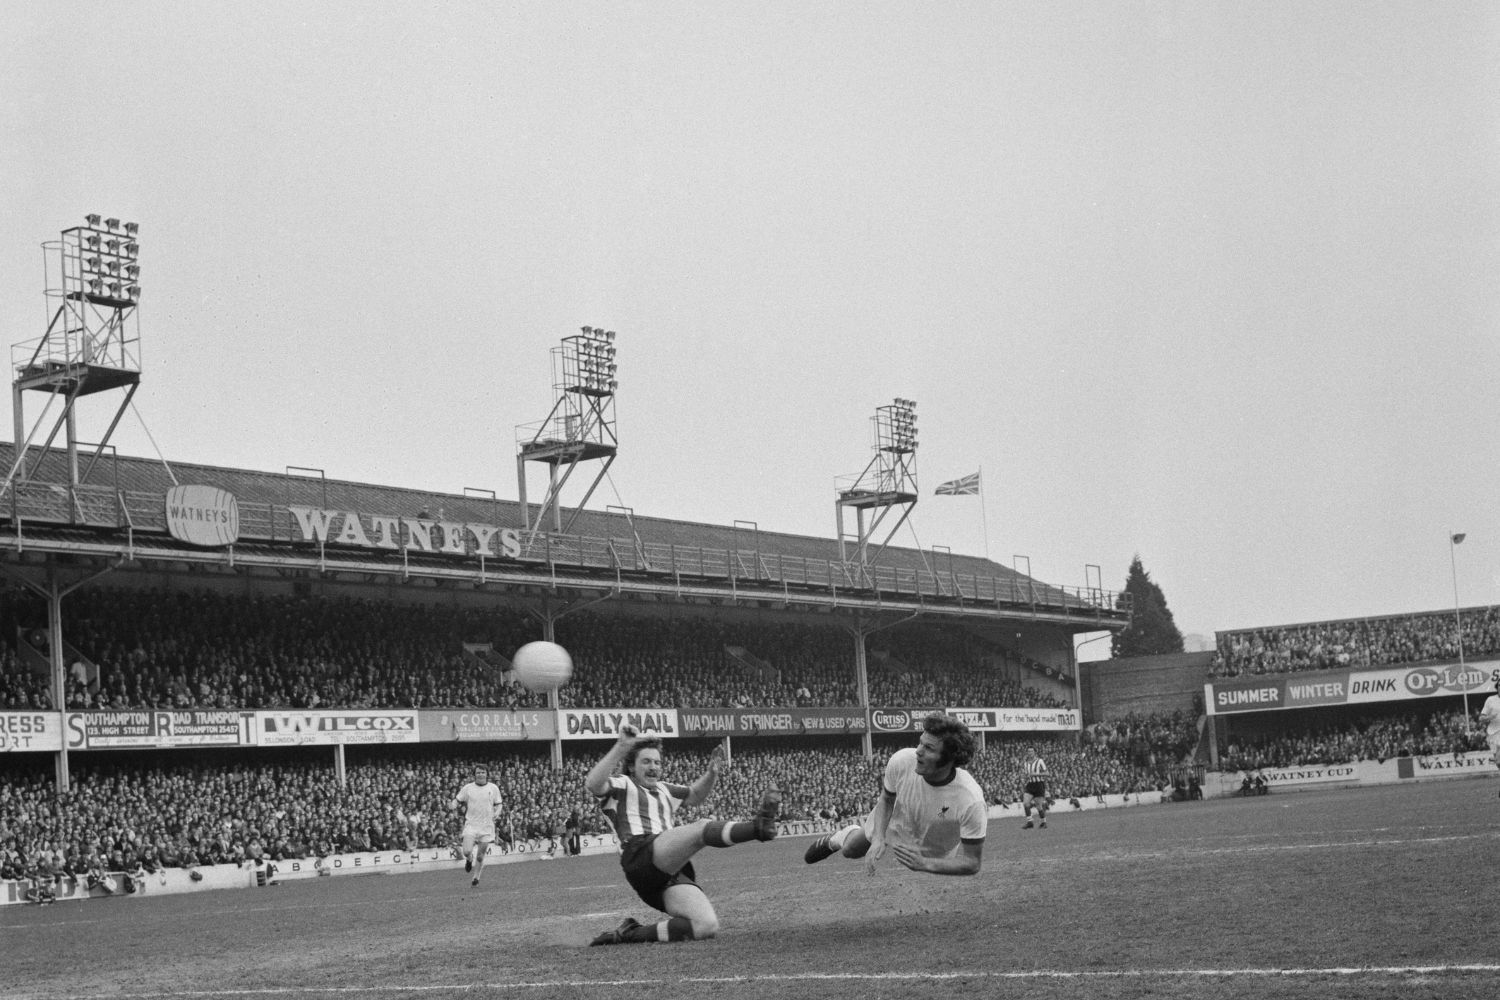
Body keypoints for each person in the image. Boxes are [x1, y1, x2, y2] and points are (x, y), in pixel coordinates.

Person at [584, 726, 782, 946]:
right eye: (646, 762)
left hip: (666, 870)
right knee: (701, 828)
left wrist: (711, 774)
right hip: (639, 854)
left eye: (657, 763)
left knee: (705, 925)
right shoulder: (623, 783)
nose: (653, 767)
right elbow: (593, 784)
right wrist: (621, 747)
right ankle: (757, 828)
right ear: (631, 765)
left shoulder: (665, 790)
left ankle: (629, 933)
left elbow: (695, 795)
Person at [803, 712, 986, 876]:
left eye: (929, 748)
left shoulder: (971, 800)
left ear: (949, 759)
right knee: (850, 850)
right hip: (898, 814)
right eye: (920, 742)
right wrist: (878, 838)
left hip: (935, 847)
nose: (918, 751)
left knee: (929, 860)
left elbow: (971, 863)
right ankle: (839, 838)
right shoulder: (902, 761)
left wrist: (925, 864)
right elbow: (886, 799)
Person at [451, 765, 503, 888]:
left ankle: (476, 878)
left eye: (483, 772)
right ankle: (469, 859)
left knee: (480, 856)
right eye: (478, 772)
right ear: (474, 774)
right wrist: (453, 805)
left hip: (487, 826)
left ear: (487, 774)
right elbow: (457, 800)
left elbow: (499, 804)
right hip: (471, 824)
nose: (480, 774)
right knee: (466, 851)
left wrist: (497, 813)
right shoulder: (468, 788)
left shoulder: (493, 788)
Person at [1476, 668, 1500, 797]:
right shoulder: (1490, 700)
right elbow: (1481, 718)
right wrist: (1490, 717)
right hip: (1493, 734)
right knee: (1498, 761)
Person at [1022, 746, 1049, 829]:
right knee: (1026, 803)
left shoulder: (1040, 761)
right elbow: (1027, 775)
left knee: (1039, 806)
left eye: (1031, 751)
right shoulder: (1026, 763)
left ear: (1034, 752)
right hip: (1030, 784)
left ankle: (1043, 822)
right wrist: (1024, 777)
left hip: (1039, 784)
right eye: (1028, 751)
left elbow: (1047, 773)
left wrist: (1036, 774)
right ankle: (1030, 822)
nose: (1030, 753)